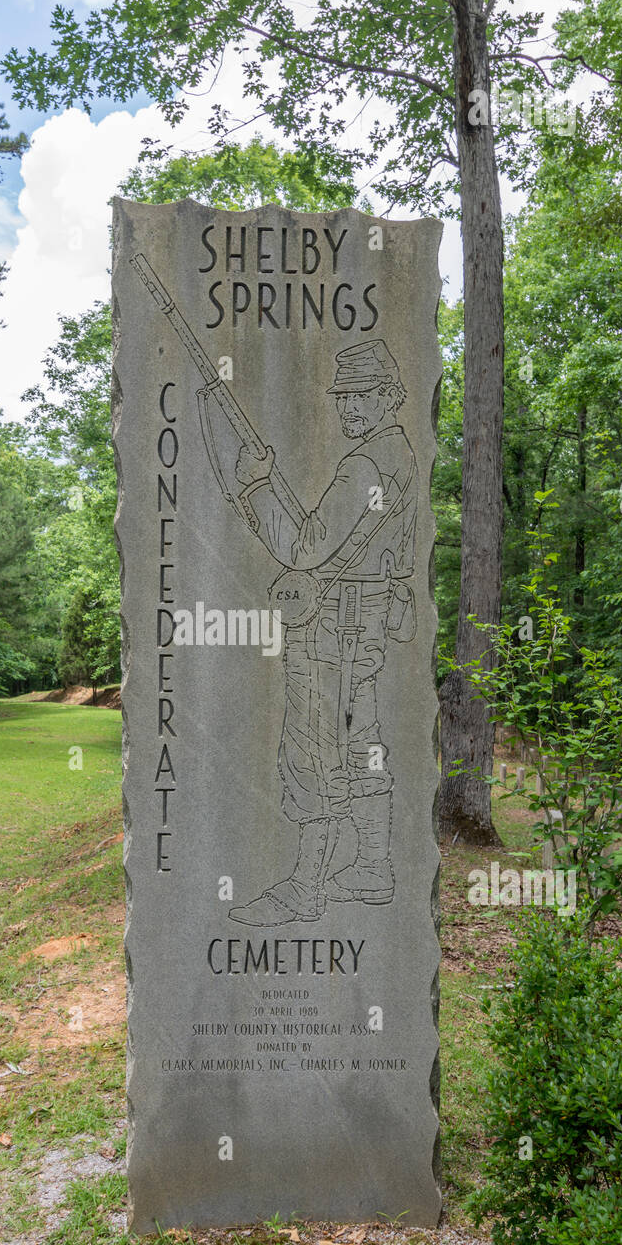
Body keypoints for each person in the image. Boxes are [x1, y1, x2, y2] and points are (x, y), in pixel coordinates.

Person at [228, 340, 418, 927]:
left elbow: (307, 546)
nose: (350, 409)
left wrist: (257, 488)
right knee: (365, 749)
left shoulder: (365, 463)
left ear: (389, 397)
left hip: (333, 625)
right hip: (366, 623)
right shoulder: (400, 454)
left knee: (314, 751)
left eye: (362, 397)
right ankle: (372, 868)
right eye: (344, 398)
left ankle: (305, 889)